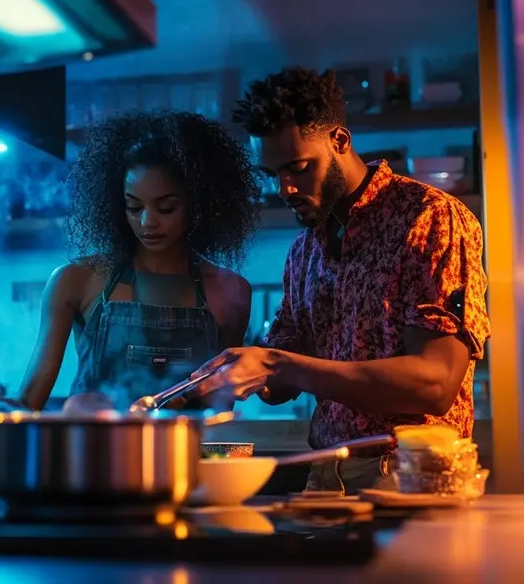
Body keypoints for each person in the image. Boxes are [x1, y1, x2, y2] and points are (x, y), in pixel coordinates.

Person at [189, 67, 491, 494]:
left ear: (340, 141)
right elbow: (281, 383)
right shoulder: (303, 252)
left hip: (412, 478)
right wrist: (232, 368)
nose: (286, 189)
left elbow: (435, 383)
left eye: (298, 167)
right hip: (325, 479)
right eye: (273, 174)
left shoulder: (428, 217)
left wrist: (278, 363)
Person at [0, 110, 261, 412]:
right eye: (134, 207)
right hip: (93, 456)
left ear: (198, 204)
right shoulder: (76, 281)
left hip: (187, 458)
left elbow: (221, 414)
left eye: (166, 208)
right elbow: (28, 403)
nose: (148, 222)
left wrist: (234, 455)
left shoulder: (231, 293)